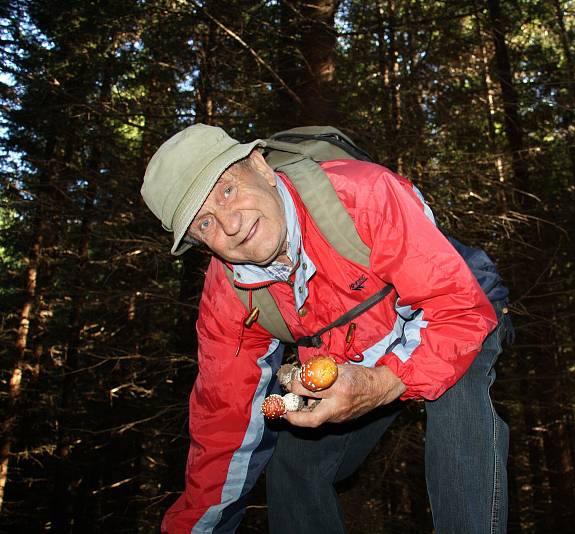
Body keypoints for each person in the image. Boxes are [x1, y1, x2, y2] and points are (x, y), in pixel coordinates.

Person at [141, 124, 512, 533]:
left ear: (260, 166)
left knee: (455, 387)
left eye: (227, 191)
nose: (230, 224)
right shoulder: (228, 296)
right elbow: (222, 424)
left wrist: (384, 383)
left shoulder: (362, 195)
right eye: (205, 224)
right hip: (358, 357)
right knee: (293, 464)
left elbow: (455, 308)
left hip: (455, 311)